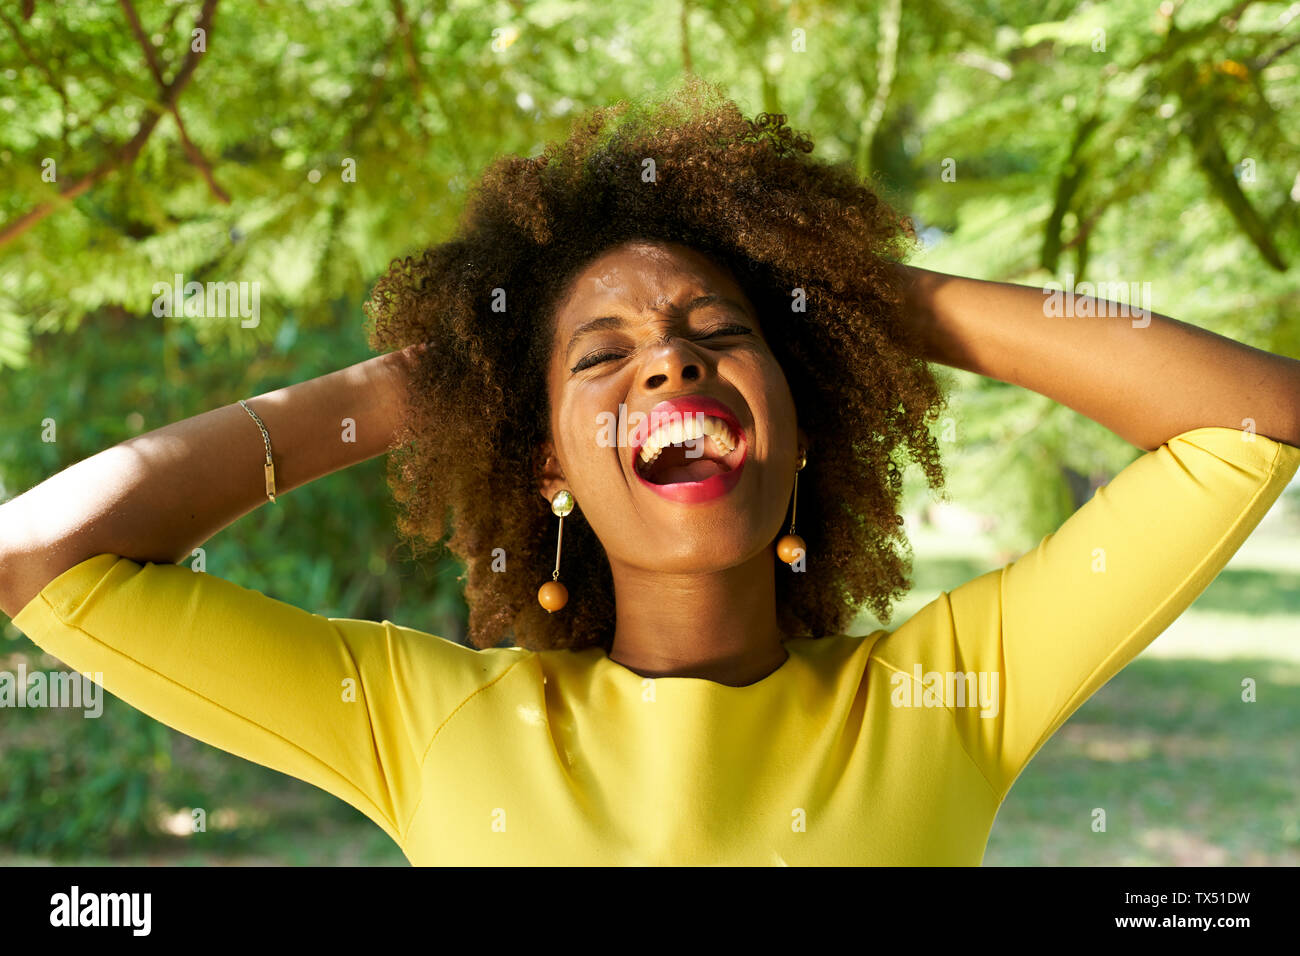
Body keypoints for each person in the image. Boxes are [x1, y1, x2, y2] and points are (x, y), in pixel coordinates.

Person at [2, 77, 1298, 866]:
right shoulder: (419, 721)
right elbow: (37, 556)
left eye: (720, 337)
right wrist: (446, 371)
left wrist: (857, 295)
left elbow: (1254, 419)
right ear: (547, 465)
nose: (669, 371)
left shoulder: (946, 696)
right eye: (600, 359)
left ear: (801, 426)